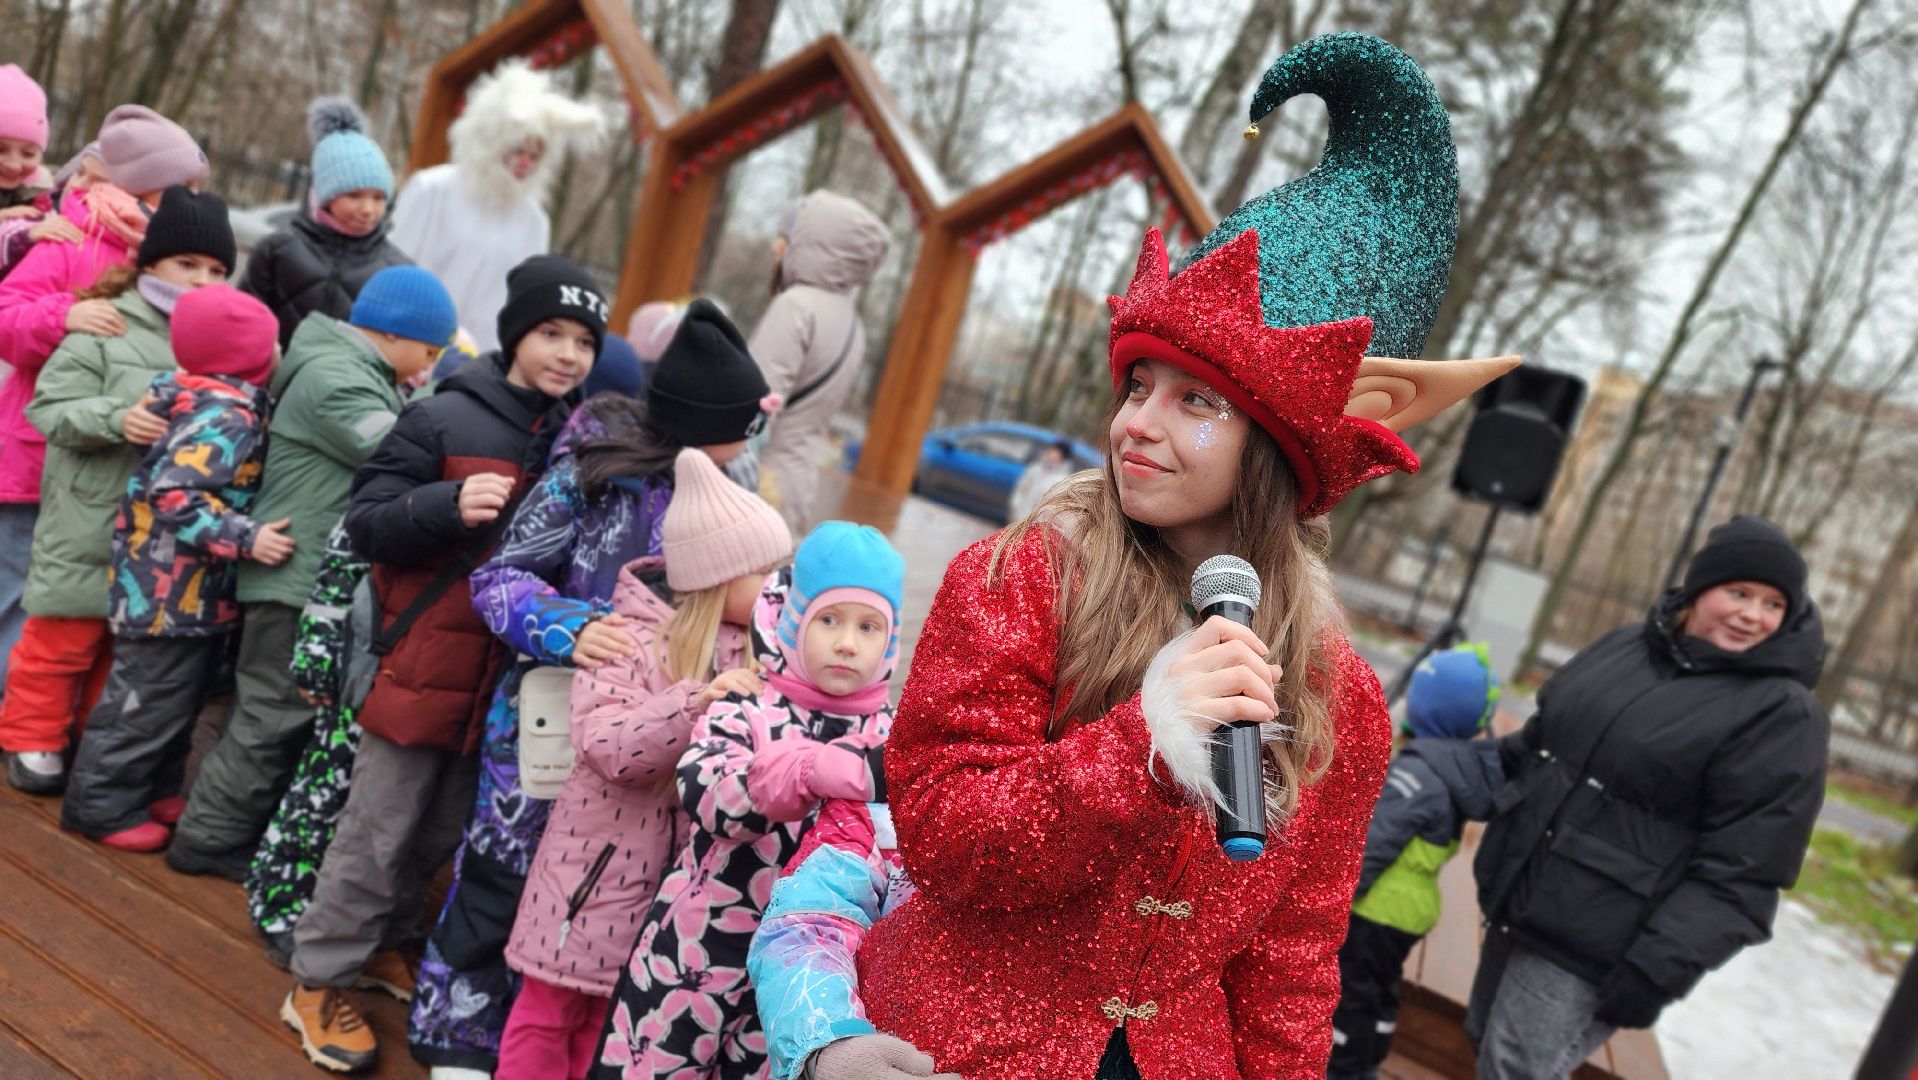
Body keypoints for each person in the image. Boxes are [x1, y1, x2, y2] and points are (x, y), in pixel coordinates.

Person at [850, 33, 1518, 1079]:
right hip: (958, 1047)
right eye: (1137, 387)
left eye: (1194, 401)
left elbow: (1293, 957)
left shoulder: (1338, 693)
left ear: (1277, 451)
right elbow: (940, 837)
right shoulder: (1021, 575)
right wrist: (1140, 748)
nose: (1135, 426)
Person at [408, 299, 774, 1075]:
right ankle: (459, 1037)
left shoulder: (736, 494)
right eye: (750, 419)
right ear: (705, 418)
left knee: (603, 909)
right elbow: (499, 578)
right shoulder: (593, 477)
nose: (754, 436)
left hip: (655, 755)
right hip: (548, 725)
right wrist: (569, 626)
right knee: (503, 874)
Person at [279, 254, 605, 1074]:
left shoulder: (577, 438)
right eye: (550, 332)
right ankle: (316, 979)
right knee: (374, 833)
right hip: (422, 664)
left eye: (584, 341)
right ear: (513, 334)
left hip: (497, 685)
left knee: (435, 833)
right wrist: (442, 505)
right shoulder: (447, 415)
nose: (568, 353)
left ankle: (383, 946)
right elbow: (366, 519)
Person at [1467, 516, 1828, 1079]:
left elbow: (1745, 871)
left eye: (1773, 604)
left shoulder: (1780, 715)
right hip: (1522, 893)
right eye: (1738, 592)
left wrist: (1657, 968)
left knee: (1516, 1068)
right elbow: (1539, 749)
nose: (1752, 615)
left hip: (1601, 942)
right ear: (1700, 588)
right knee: (1484, 1040)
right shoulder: (1628, 647)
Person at [496, 447, 791, 1079]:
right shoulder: (626, 639)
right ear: (717, 577)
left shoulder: (761, 654)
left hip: (669, 887)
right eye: (764, 571)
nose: (779, 586)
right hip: (590, 876)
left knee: (607, 1026)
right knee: (550, 1013)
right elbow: (606, 746)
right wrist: (694, 704)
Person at [169, 265, 459, 881]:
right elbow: (396, 448)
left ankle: (222, 827)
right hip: (293, 576)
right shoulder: (336, 380)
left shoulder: (349, 367)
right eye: (430, 352)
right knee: (271, 712)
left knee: (275, 710)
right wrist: (452, 396)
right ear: (393, 335)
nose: (430, 365)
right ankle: (208, 837)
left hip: (301, 572)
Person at [593, 522, 902, 1078]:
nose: (847, 642)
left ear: (892, 639)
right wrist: (806, 769)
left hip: (798, 981)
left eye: (868, 626)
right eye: (828, 619)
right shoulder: (747, 704)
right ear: (793, 615)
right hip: (694, 950)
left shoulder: (894, 740)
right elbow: (710, 800)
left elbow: (898, 862)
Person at [1, 184, 231, 794]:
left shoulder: (217, 341)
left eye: (215, 270)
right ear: (152, 261)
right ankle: (30, 736)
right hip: (87, 513)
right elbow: (49, 408)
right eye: (187, 264)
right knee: (60, 635)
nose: (200, 281)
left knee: (120, 644)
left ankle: (84, 734)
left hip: (159, 526)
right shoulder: (108, 322)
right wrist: (114, 417)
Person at [58, 285, 286, 851]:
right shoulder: (227, 416)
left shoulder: (194, 395)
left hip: (190, 594)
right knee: (144, 703)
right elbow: (175, 494)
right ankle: (101, 805)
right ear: (253, 357)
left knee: (178, 699)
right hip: (167, 594)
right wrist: (246, 537)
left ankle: (154, 787)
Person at [1328, 645, 1502, 1080]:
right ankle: (1372, 1056)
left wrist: (1338, 897)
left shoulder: (1418, 774)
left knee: (1352, 993)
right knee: (1382, 988)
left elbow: (1378, 844)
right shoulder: (1452, 766)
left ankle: (1344, 1068)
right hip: (1408, 909)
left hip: (1376, 908)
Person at [388, 59, 606, 351]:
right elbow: (389, 271)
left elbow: (523, 301)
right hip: (409, 346)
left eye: (536, 154)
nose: (525, 163)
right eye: (518, 149)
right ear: (491, 141)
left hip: (477, 363)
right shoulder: (433, 189)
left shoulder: (533, 220)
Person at [747, 191, 889, 535]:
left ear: (812, 245)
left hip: (758, 480)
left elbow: (754, 407)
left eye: (786, 237)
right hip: (798, 481)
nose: (775, 247)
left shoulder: (796, 306)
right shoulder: (853, 322)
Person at [241, 98, 413, 349]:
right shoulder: (277, 250)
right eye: (354, 195)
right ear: (324, 195)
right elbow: (241, 322)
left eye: (378, 198)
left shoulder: (397, 272)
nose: (368, 209)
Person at [1008, 438, 1076, 522]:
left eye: (1056, 452)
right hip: (1019, 515)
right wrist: (1015, 506)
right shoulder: (1035, 468)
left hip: (1036, 521)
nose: (1051, 454)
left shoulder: (1062, 479)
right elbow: (1021, 488)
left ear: (1062, 457)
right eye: (1051, 450)